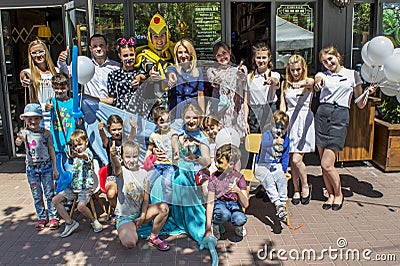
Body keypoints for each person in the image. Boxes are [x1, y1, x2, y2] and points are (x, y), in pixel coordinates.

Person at [314, 46, 377, 211]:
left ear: (338, 56)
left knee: (327, 163)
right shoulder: (323, 75)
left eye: (330, 59)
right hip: (322, 114)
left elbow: (360, 104)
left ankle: (339, 194)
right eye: (325, 62)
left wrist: (367, 93)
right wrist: (318, 83)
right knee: (322, 164)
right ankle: (330, 194)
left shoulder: (352, 75)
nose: (328, 63)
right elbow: (317, 80)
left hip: (340, 116)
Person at [110, 139, 170, 250]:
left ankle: (154, 236)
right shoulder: (121, 171)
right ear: (122, 157)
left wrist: (142, 216)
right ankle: (127, 229)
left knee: (164, 208)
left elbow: (146, 199)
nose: (131, 160)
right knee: (130, 243)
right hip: (125, 218)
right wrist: (113, 156)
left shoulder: (144, 174)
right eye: (127, 157)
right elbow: (116, 165)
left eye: (135, 156)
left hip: (140, 214)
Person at [15, 103, 59, 230]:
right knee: (36, 194)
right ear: (25, 120)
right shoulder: (24, 133)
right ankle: (41, 217)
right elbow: (19, 140)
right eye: (29, 119)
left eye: (35, 118)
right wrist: (18, 141)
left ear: (40, 119)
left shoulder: (46, 133)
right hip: (32, 168)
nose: (32, 121)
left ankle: (53, 216)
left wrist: (55, 168)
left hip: (46, 167)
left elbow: (51, 151)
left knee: (49, 193)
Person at [52, 129, 103, 238]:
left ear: (86, 142)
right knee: (55, 200)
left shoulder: (88, 153)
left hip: (85, 188)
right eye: (75, 146)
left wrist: (78, 155)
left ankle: (94, 220)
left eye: (80, 144)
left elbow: (85, 157)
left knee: (80, 206)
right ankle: (70, 223)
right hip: (74, 187)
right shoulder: (75, 154)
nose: (78, 148)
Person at [280, 54, 315, 205]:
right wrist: (281, 122)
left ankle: (306, 185)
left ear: (303, 68)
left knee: (297, 159)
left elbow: (312, 82)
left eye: (298, 70)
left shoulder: (308, 82)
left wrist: (299, 84)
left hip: (303, 119)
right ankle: (296, 189)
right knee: (292, 161)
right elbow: (283, 103)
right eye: (293, 70)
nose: (295, 73)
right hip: (290, 121)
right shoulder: (285, 84)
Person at [58, 34, 120, 103]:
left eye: (101, 45)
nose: (98, 49)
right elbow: (66, 74)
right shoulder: (84, 65)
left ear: (106, 47)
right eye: (95, 46)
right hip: (89, 107)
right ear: (90, 48)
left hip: (110, 108)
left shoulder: (116, 67)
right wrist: (62, 61)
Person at [204, 144, 248, 240]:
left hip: (234, 204)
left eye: (219, 162)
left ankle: (238, 225)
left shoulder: (239, 177)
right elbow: (210, 203)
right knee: (224, 214)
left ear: (231, 164)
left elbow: (245, 204)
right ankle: (215, 224)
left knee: (240, 219)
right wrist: (207, 228)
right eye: (215, 161)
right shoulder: (214, 178)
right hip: (220, 203)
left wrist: (238, 191)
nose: (216, 164)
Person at [98, 114, 137, 219]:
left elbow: (132, 137)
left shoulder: (125, 140)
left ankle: (130, 211)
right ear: (109, 129)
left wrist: (133, 128)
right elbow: (103, 138)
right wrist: (101, 130)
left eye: (119, 129)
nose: (117, 132)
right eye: (114, 129)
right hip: (113, 175)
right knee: (110, 194)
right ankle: (117, 211)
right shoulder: (109, 141)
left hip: (127, 174)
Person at [207, 41, 247, 140]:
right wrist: (217, 81)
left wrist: (240, 75)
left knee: (236, 141)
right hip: (220, 111)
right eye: (218, 55)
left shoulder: (239, 69)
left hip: (235, 111)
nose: (222, 57)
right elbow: (213, 81)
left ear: (229, 52)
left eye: (224, 53)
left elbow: (243, 78)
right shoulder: (212, 70)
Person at [254, 110, 290, 222]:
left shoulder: (286, 139)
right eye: (277, 127)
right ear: (271, 125)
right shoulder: (267, 135)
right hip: (262, 164)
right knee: (268, 180)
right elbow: (264, 145)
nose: (279, 131)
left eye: (282, 128)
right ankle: (277, 203)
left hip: (276, 165)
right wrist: (274, 142)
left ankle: (282, 204)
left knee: (282, 179)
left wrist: (284, 170)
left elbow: (285, 156)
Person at [20, 39, 62, 129]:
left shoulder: (56, 71)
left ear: (46, 52)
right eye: (34, 53)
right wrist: (24, 80)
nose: (38, 55)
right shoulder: (29, 72)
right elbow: (24, 75)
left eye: (40, 51)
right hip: (39, 117)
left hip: (57, 114)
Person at [135, 13, 175, 107]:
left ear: (167, 36)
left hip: (172, 100)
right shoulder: (145, 54)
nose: (159, 40)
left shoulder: (173, 52)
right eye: (155, 36)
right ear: (150, 37)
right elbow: (149, 67)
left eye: (162, 35)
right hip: (153, 103)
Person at [45, 73, 76, 185]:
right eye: (56, 88)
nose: (59, 91)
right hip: (56, 146)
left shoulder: (74, 102)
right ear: (53, 87)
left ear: (68, 87)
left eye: (62, 88)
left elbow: (78, 120)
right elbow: (47, 107)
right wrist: (47, 107)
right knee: (58, 173)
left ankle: (69, 198)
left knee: (71, 173)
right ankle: (60, 197)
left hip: (70, 144)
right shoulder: (52, 101)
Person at [145, 106, 179, 204]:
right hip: (158, 164)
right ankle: (146, 203)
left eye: (168, 121)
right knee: (147, 181)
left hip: (170, 164)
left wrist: (176, 151)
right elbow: (150, 149)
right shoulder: (153, 136)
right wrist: (146, 160)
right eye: (162, 121)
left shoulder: (172, 132)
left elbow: (174, 141)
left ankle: (167, 205)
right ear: (156, 122)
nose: (166, 124)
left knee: (166, 182)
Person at [245, 42, 280, 134]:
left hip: (269, 110)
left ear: (269, 58)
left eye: (264, 57)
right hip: (254, 113)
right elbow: (246, 101)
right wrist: (245, 121)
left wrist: (272, 80)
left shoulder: (274, 74)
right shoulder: (249, 77)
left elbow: (276, 82)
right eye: (258, 57)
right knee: (255, 143)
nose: (261, 60)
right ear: (254, 59)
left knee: (270, 141)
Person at [107, 37, 148, 114]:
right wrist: (93, 99)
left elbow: (146, 78)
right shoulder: (113, 75)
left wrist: (139, 81)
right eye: (125, 55)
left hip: (140, 114)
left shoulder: (141, 72)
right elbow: (111, 99)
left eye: (131, 55)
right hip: (121, 113)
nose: (129, 58)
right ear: (119, 56)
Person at [167, 39, 204, 118]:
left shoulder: (198, 71)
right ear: (176, 55)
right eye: (180, 52)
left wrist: (202, 115)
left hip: (193, 109)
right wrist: (171, 78)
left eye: (186, 52)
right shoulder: (172, 69)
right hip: (177, 108)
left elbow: (200, 95)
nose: (183, 55)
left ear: (191, 54)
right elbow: (171, 74)